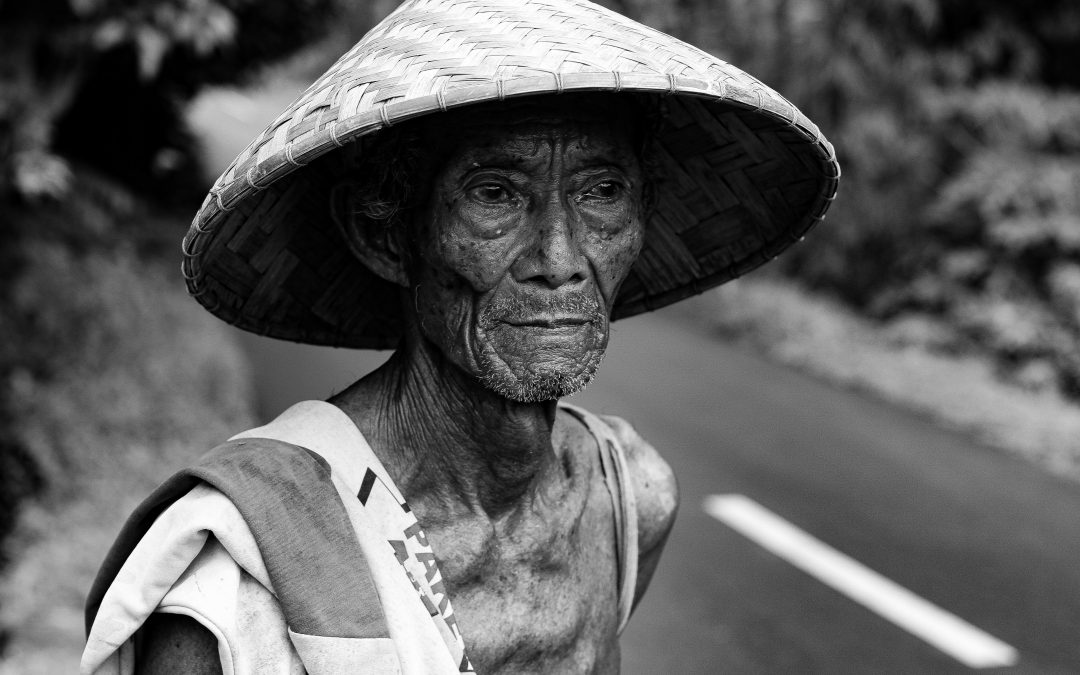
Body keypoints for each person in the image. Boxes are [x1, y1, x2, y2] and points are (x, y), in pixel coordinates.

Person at [81, 0, 839, 672]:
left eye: (601, 192)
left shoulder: (629, 498)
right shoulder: (245, 578)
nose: (561, 260)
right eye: (495, 194)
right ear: (385, 235)